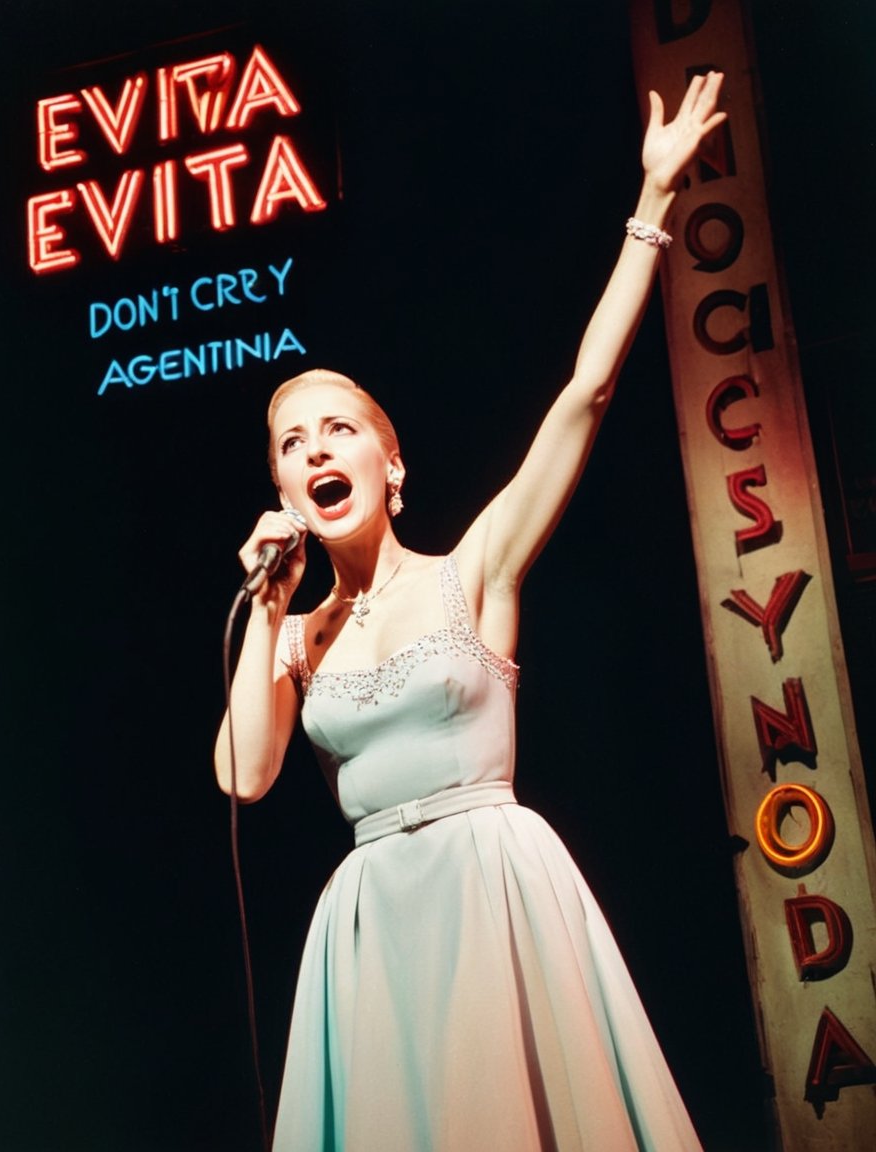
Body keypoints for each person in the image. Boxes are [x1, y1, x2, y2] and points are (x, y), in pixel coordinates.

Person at [215, 72, 727, 1152]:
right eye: (292, 444)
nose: (315, 451)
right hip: (368, 929)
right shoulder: (299, 632)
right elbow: (243, 776)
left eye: (337, 430)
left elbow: (581, 396)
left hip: (491, 889)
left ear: (389, 465)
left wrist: (650, 209)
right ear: (282, 484)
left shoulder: (473, 570)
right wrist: (269, 606)